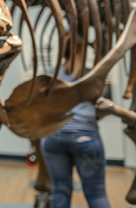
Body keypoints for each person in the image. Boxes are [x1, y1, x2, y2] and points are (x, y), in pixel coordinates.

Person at [41, 67, 111, 208]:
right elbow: (103, 108)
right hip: (85, 137)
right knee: (96, 193)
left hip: (53, 137)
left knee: (60, 190)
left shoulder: (49, 72)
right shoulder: (93, 74)